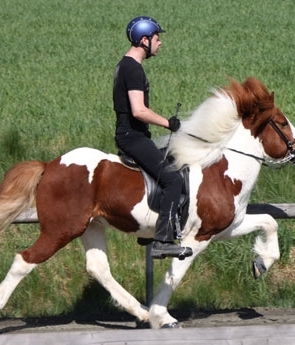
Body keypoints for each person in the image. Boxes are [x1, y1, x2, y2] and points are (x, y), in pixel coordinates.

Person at [113, 16, 193, 259]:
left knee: (172, 168)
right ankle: (162, 239)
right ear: (144, 40)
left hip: (134, 135)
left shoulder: (127, 66)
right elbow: (139, 110)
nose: (160, 43)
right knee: (172, 180)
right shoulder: (133, 69)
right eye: (158, 38)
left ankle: (148, 225)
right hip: (133, 137)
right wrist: (169, 123)